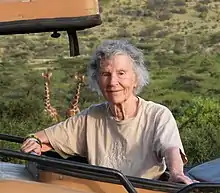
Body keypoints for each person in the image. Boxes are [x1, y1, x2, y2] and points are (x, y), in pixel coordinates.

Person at [21, 39, 194, 184]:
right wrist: (34, 142)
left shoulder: (157, 115)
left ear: (136, 79)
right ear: (97, 81)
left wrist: (177, 174)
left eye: (121, 73)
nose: (113, 82)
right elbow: (44, 140)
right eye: (105, 74)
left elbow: (171, 148)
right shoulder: (91, 117)